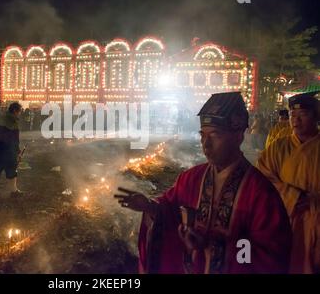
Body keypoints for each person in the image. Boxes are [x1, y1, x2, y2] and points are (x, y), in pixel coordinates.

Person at [115, 92, 292, 274]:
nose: (206, 144)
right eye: (203, 135)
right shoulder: (191, 178)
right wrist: (151, 208)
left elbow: (272, 256)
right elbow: (169, 212)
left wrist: (212, 246)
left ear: (238, 136)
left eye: (215, 135)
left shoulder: (260, 193)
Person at [257, 91, 320, 273]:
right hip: (285, 220)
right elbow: (262, 177)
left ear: (316, 117)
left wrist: (314, 199)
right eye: (293, 115)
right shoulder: (278, 147)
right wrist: (292, 196)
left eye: (303, 115)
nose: (296, 120)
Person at [0, 102, 22, 200]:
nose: (20, 113)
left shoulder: (1, 118)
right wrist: (17, 151)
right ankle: (14, 190)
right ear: (15, 111)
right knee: (11, 170)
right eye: (19, 111)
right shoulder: (12, 121)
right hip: (7, 150)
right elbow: (14, 139)